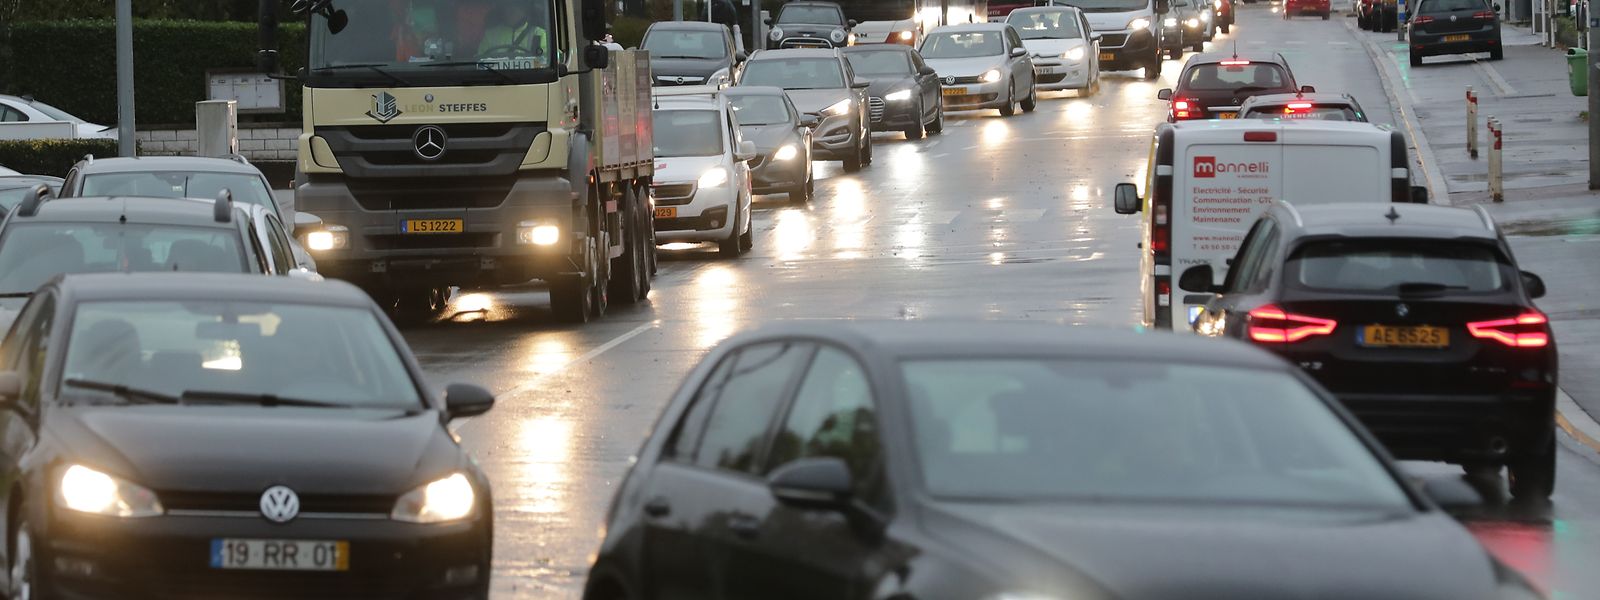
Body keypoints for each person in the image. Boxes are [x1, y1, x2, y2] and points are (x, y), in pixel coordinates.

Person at [478, 1, 550, 58]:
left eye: (515, 8)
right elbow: (480, 61)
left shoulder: (540, 34)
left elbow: (550, 60)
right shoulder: (491, 35)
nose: (509, 12)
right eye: (507, 7)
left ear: (525, 11)